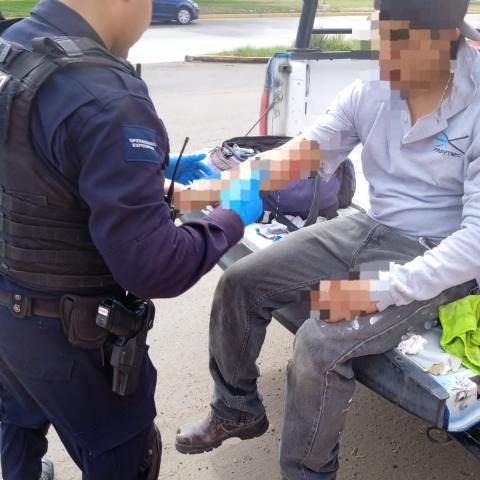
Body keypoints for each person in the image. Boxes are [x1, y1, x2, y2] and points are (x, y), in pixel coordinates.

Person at [175, 0, 480, 479]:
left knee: (321, 342)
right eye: (381, 38)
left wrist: (376, 292)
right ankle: (236, 409)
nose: (385, 57)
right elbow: (296, 156)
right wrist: (204, 192)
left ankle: (307, 473)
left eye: (399, 42)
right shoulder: (374, 90)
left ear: (444, 39)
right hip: (368, 226)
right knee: (241, 281)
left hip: (436, 252)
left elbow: (474, 243)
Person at [0, 0, 263, 479]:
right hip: (72, 339)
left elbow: (34, 167)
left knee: (18, 421)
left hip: (9, 313)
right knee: (123, 455)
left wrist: (139, 177)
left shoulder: (13, 47)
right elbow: (154, 266)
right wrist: (232, 217)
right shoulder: (105, 94)